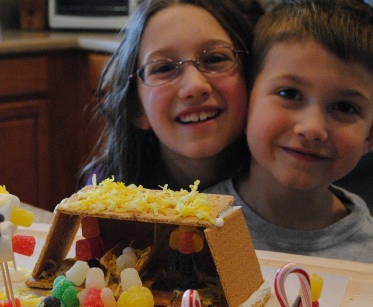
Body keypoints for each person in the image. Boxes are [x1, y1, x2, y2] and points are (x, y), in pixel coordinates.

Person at [206, 0, 373, 267]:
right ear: (245, 99)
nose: (312, 128)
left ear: (372, 133)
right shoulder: (192, 224)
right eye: (289, 94)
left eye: (345, 107)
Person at [76, 0, 253, 191]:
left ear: (252, 78)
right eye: (164, 68)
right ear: (136, 108)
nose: (193, 86)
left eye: (215, 59)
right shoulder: (105, 188)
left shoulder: (280, 189)